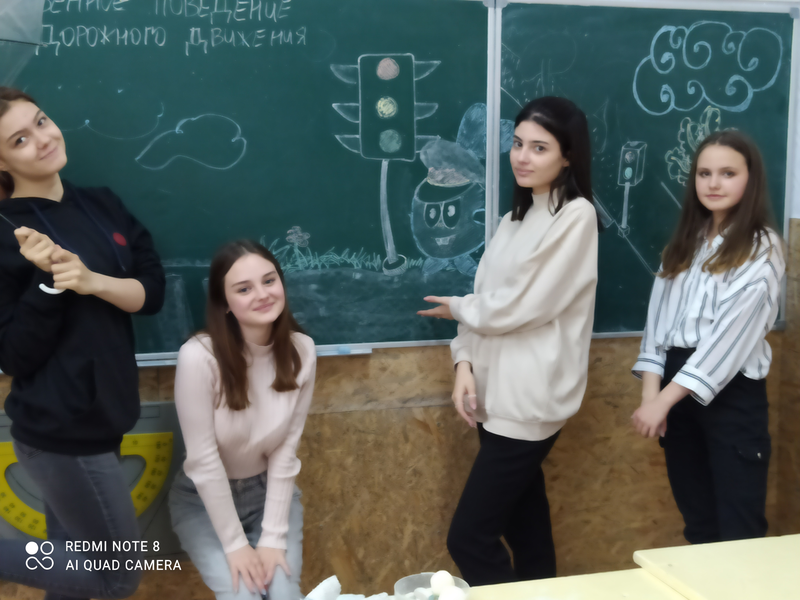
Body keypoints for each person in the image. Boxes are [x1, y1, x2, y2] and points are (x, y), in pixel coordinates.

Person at [418, 96, 600, 585]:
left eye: (539, 147)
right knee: (528, 530)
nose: (522, 157)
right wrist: (463, 363)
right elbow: (484, 298)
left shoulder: (575, 216)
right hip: (493, 397)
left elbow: (525, 305)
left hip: (528, 402)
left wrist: (460, 308)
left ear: (568, 156)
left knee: (469, 538)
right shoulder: (513, 220)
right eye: (518, 144)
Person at [0, 86, 165, 598]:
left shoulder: (102, 203)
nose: (43, 139)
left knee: (72, 577)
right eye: (19, 140)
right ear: (2, 162)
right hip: (59, 431)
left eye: (41, 121)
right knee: (116, 574)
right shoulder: (6, 234)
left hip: (108, 415)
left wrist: (93, 281)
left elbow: (151, 292)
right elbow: (13, 355)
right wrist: (48, 281)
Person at [631, 130, 784, 544]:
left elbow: (726, 342)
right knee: (698, 523)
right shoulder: (685, 243)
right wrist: (651, 397)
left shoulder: (762, 247)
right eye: (704, 174)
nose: (714, 183)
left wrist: (663, 400)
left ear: (751, 180)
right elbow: (657, 328)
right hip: (676, 391)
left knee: (738, 529)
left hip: (731, 393)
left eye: (728, 173)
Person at [168, 240, 314, 600]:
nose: (262, 294)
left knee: (283, 594)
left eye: (269, 281)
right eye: (244, 289)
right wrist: (235, 545)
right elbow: (203, 461)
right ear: (225, 303)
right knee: (243, 595)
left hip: (270, 496)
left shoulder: (302, 350)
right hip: (202, 502)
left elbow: (285, 451)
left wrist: (273, 537)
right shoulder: (198, 356)